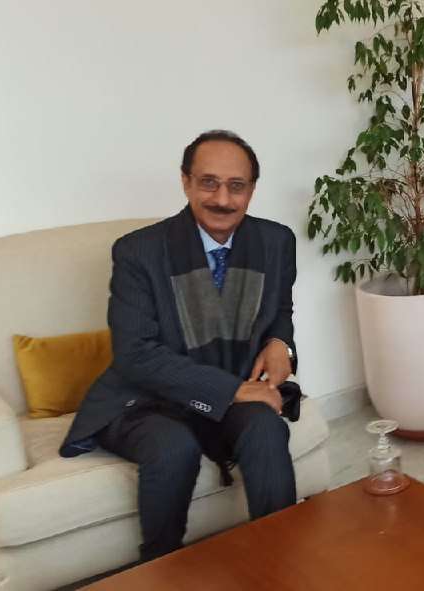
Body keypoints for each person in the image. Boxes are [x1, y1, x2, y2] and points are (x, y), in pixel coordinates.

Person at [59, 130, 300, 561]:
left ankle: (280, 560)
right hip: (147, 400)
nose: (222, 199)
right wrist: (232, 390)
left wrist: (281, 343)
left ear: (252, 190)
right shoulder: (139, 252)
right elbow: (135, 354)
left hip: (230, 385)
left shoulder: (276, 242)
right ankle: (160, 568)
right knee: (174, 447)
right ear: (186, 182)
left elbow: (279, 308)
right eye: (208, 183)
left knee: (266, 428)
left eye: (236, 186)